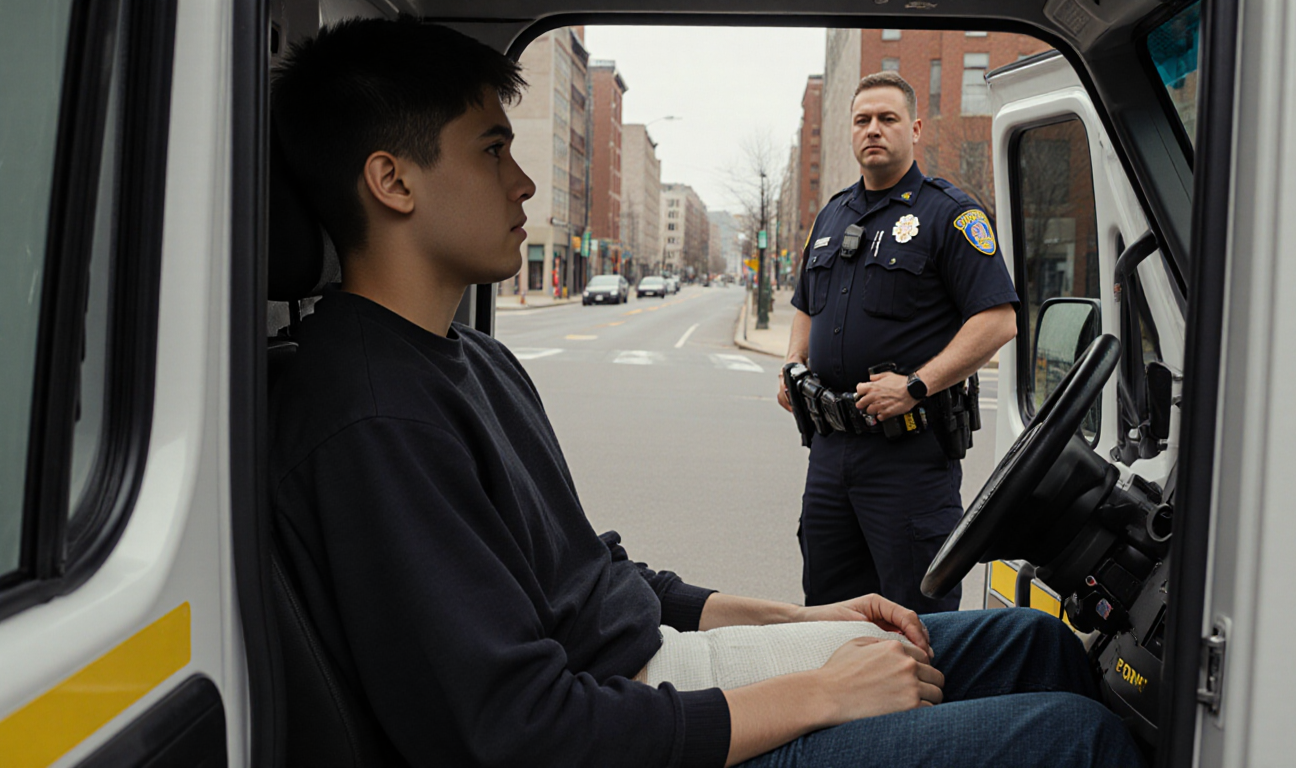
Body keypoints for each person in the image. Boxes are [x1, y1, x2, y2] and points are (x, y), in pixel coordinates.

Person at [269, 17, 1142, 767]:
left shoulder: (470, 357)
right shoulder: (371, 416)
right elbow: (521, 731)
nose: (524, 182)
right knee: (1075, 738)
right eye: (493, 150)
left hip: (659, 666)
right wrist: (819, 695)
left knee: (1029, 641)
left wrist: (799, 618)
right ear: (393, 181)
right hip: (634, 725)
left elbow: (596, 576)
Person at [777, 72, 1019, 613]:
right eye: (862, 120)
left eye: (887, 119)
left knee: (918, 619)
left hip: (908, 456)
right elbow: (804, 303)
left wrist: (915, 386)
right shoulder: (831, 215)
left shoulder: (948, 213)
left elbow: (998, 320)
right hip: (831, 451)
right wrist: (792, 362)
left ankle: (920, 703)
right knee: (827, 611)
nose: (873, 130)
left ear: (914, 129)